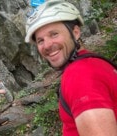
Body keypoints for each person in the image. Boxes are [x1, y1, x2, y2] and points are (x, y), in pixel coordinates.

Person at [25, 0, 117, 136]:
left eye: (54, 34)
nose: (47, 45)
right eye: (40, 40)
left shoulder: (79, 75)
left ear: (75, 32)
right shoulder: (95, 63)